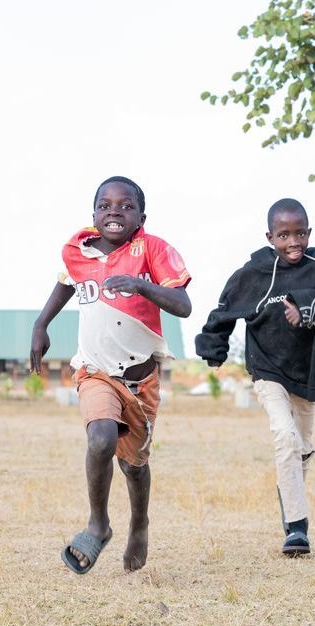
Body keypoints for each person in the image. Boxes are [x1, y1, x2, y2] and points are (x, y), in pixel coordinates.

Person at [31, 176, 191, 574]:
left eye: (125, 206)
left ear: (141, 217)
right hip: (95, 371)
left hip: (141, 380)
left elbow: (183, 305)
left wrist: (141, 284)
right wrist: (41, 325)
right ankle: (98, 523)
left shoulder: (153, 250)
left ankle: (140, 524)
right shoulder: (78, 250)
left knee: (134, 466)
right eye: (105, 205)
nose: (114, 211)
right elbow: (65, 284)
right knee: (100, 437)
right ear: (93, 214)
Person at [195, 198, 315, 556]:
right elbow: (224, 311)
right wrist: (213, 348)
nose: (293, 241)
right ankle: (297, 530)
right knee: (285, 437)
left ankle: (289, 486)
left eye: (300, 233)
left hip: (307, 373)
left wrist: (308, 310)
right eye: (284, 235)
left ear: (309, 232)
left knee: (301, 448)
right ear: (270, 236)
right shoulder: (253, 274)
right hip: (267, 370)